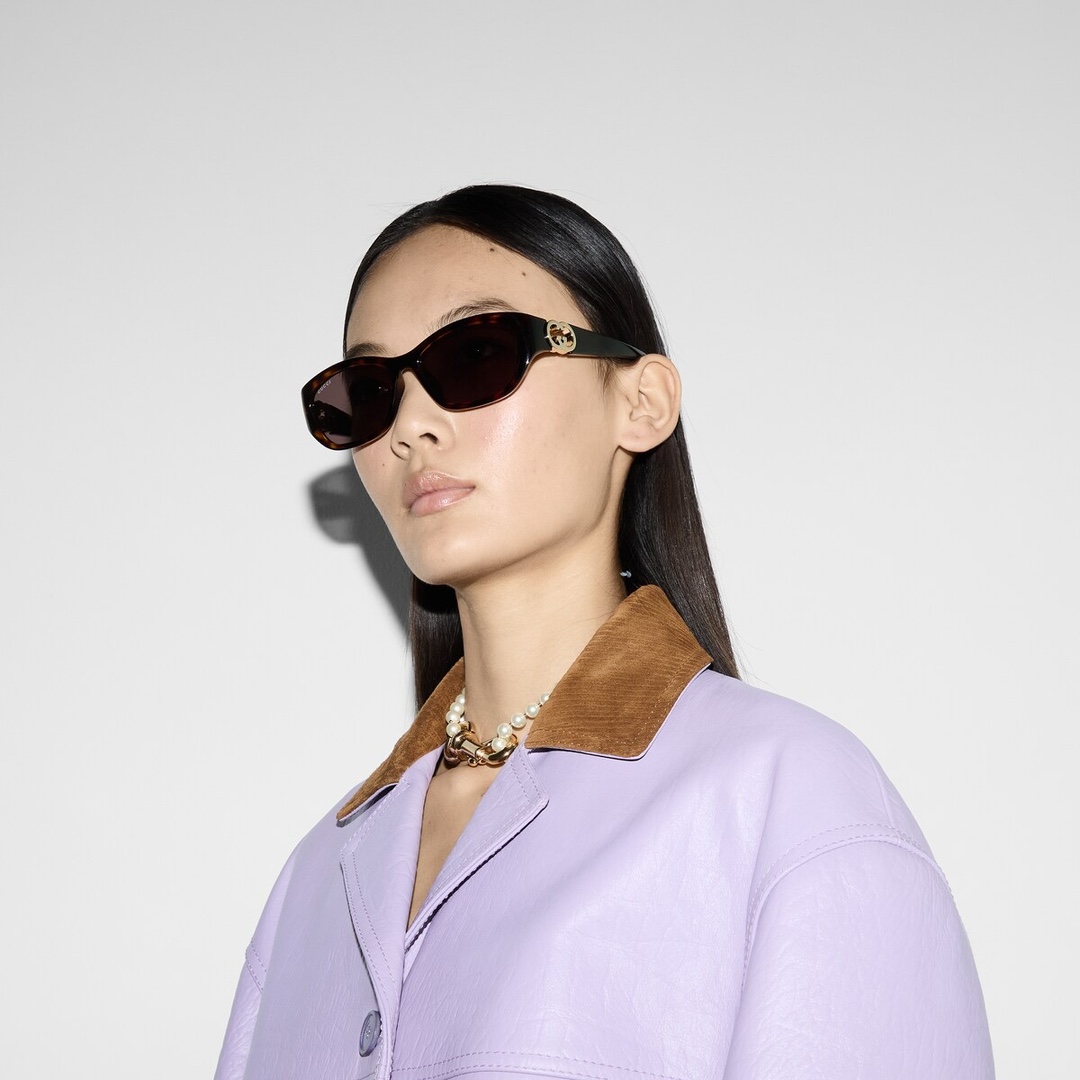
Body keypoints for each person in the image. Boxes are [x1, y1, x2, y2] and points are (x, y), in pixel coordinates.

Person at [214, 185, 994, 1079]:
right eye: (371, 391)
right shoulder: (316, 880)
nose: (411, 428)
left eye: (476, 353)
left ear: (642, 401)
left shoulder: (790, 801)